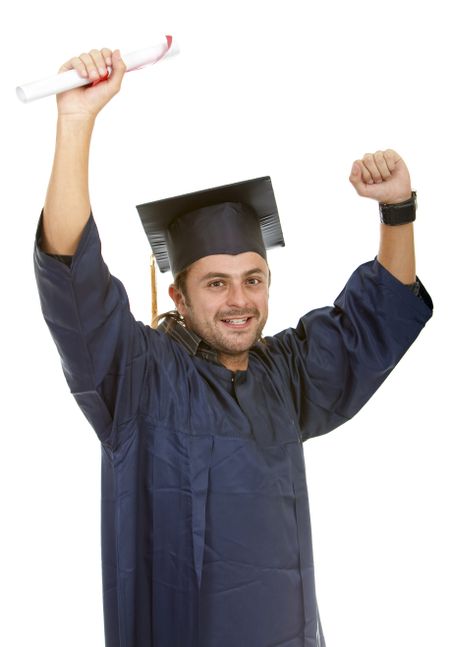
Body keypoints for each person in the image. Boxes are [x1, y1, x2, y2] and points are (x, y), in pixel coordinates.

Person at [34, 48, 433, 647]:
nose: (239, 300)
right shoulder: (138, 375)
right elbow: (70, 271)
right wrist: (76, 122)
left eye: (253, 278)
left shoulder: (285, 374)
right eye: (216, 283)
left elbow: (374, 320)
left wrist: (397, 211)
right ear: (179, 293)